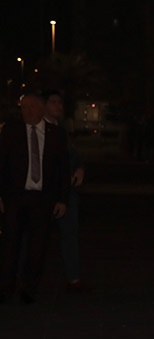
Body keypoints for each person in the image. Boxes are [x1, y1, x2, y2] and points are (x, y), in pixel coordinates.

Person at [0, 92, 69, 303]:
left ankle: (29, 288)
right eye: (23, 107)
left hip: (42, 199)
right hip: (15, 197)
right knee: (10, 244)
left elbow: (62, 168)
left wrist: (62, 199)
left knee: (38, 246)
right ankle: (6, 287)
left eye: (31, 107)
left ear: (41, 109)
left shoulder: (55, 134)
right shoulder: (11, 131)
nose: (26, 111)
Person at [43, 89, 87, 291]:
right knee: (32, 234)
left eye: (60, 102)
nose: (58, 106)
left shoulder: (62, 129)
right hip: (44, 191)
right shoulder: (36, 129)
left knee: (70, 234)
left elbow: (72, 155)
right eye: (53, 102)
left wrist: (79, 168)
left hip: (66, 190)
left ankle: (73, 278)